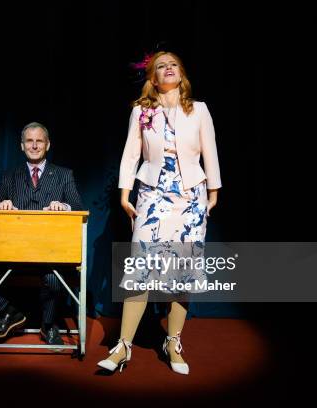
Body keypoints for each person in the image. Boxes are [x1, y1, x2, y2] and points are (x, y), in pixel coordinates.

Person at [97, 51, 221, 374]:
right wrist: (125, 194)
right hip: (152, 194)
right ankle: (123, 346)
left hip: (190, 196)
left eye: (174, 64)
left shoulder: (200, 110)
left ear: (181, 73)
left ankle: (173, 342)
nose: (168, 69)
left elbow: (211, 151)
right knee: (141, 268)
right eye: (161, 66)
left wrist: (213, 193)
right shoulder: (142, 111)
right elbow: (130, 153)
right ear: (153, 77)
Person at [0, 122, 84, 348]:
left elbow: (79, 207)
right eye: (29, 141)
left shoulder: (64, 175)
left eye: (39, 141)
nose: (34, 145)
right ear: (22, 146)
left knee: (53, 279)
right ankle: (8, 311)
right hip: (13, 254)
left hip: (51, 255)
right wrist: (0, 205)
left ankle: (49, 324)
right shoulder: (9, 176)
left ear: (47, 145)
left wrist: (64, 206)